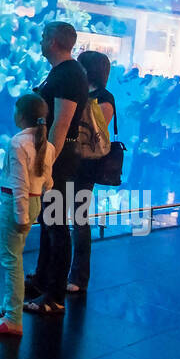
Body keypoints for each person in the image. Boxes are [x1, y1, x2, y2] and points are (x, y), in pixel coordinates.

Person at [24, 21, 89, 316]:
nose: (39, 41)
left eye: (42, 37)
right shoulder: (62, 72)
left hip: (60, 161)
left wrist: (45, 164)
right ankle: (42, 280)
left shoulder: (69, 74)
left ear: (52, 41)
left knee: (56, 224)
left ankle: (53, 295)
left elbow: (61, 126)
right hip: (56, 158)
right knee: (48, 222)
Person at [0, 93, 54, 337]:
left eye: (15, 110)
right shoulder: (47, 144)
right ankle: (9, 306)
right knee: (15, 258)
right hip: (33, 203)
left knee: (11, 261)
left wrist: (21, 216)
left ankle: (13, 318)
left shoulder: (18, 143)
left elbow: (19, 184)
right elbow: (47, 181)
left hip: (16, 205)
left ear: (21, 115)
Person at [69, 50, 114, 295]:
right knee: (60, 218)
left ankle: (79, 277)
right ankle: (61, 271)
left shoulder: (104, 98)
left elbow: (95, 132)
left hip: (86, 167)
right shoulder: (82, 93)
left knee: (79, 220)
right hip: (69, 162)